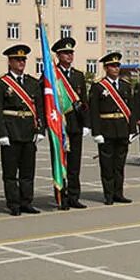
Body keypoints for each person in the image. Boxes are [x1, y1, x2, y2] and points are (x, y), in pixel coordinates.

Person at [0, 43, 44, 215]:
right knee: (10, 172)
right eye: (17, 59)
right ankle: (13, 203)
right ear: (10, 61)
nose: (21, 62)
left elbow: (40, 107)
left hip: (29, 131)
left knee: (28, 171)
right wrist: (2, 133)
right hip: (11, 131)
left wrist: (40, 129)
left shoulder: (32, 82)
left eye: (23, 59)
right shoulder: (1, 83)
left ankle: (26, 202)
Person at [88, 52, 136, 204]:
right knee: (107, 165)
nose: (115, 69)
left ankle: (118, 193)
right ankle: (108, 195)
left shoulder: (125, 86)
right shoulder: (98, 87)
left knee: (119, 165)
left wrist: (132, 130)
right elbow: (94, 111)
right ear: (106, 68)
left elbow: (131, 109)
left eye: (117, 66)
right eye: (112, 66)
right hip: (106, 129)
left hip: (122, 129)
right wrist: (96, 132)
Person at [50, 36, 88, 208]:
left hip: (76, 125)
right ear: (58, 55)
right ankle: (61, 197)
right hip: (59, 126)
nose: (69, 56)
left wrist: (86, 124)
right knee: (60, 163)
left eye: (71, 53)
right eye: (65, 53)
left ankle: (74, 196)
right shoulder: (51, 75)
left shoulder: (79, 76)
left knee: (75, 164)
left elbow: (84, 102)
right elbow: (47, 102)